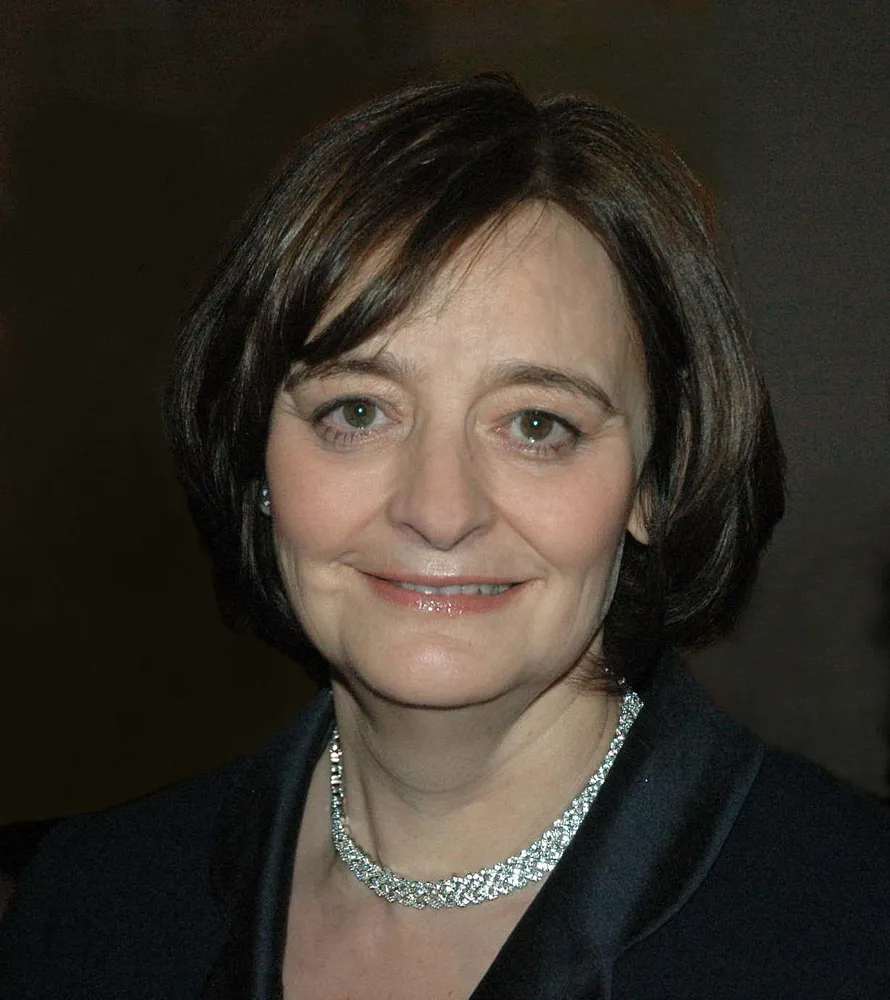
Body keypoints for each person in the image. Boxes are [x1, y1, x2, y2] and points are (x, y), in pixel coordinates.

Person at [1, 73, 888, 999]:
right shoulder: (90, 909)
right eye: (358, 411)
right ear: (258, 459)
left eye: (537, 425)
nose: (439, 508)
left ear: (653, 483)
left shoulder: (858, 928)